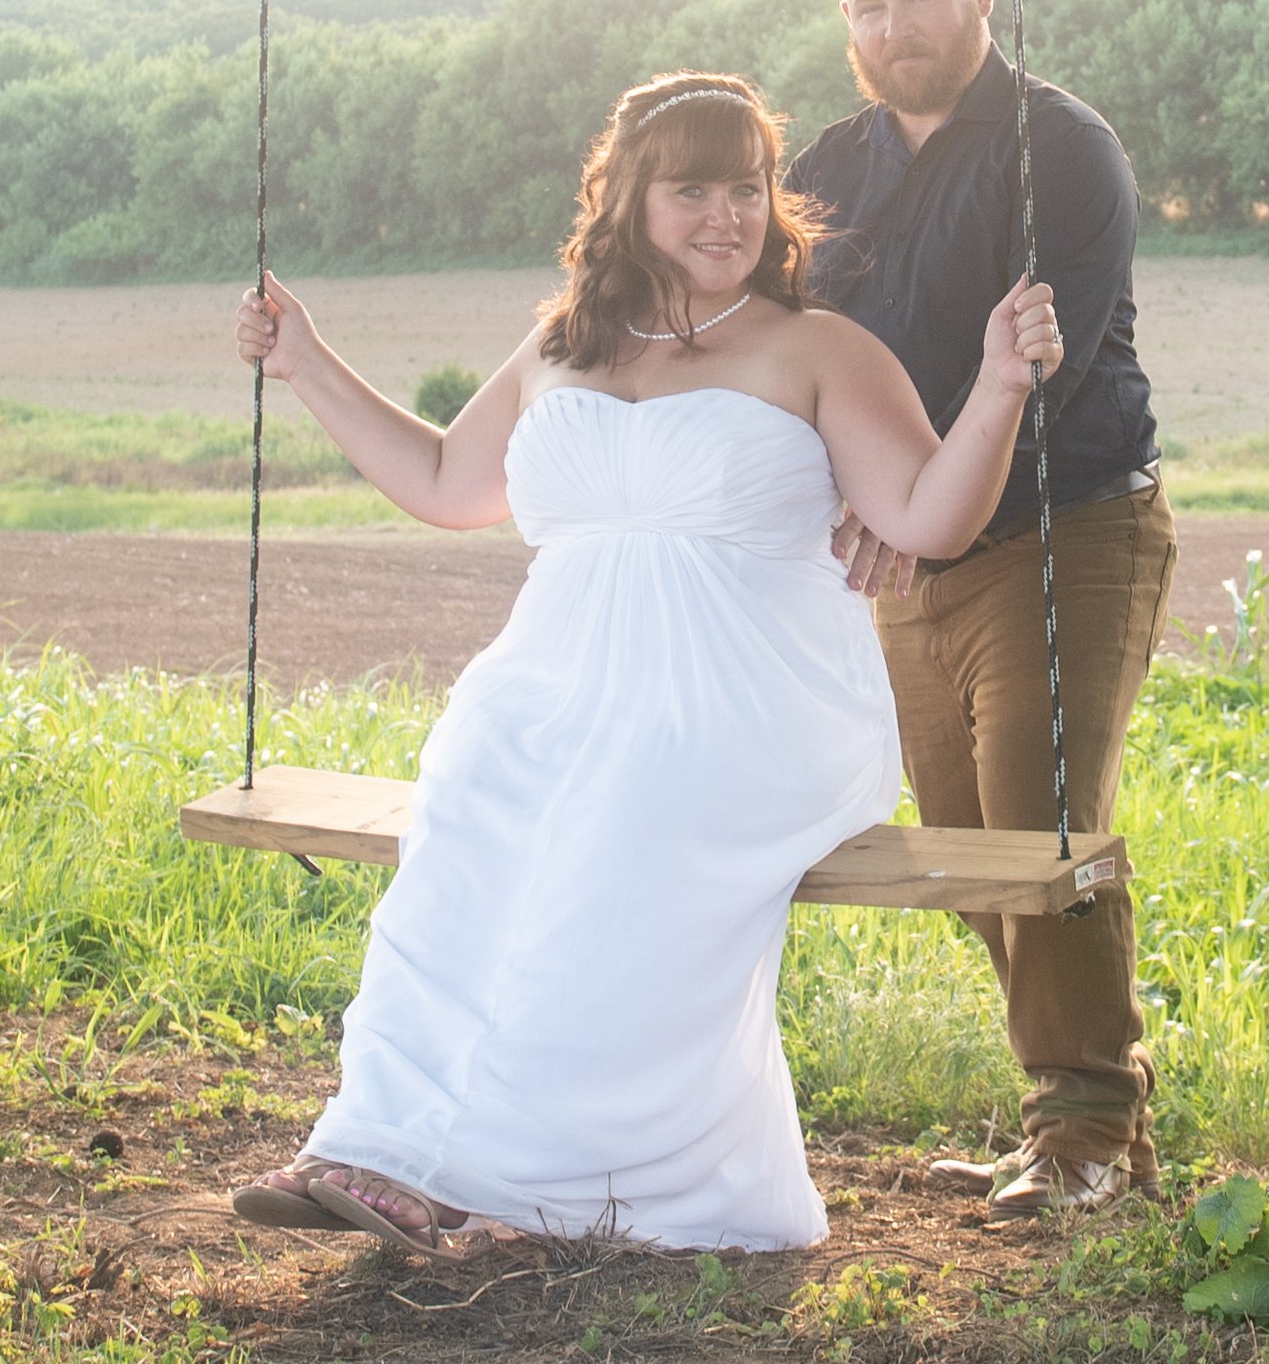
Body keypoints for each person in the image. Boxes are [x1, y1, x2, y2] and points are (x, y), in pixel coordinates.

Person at [224, 68, 1065, 1256]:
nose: (727, 213)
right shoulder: (562, 342)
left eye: (748, 186)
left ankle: (503, 1171)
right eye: (692, 190)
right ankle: (378, 1143)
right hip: (556, 687)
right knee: (465, 816)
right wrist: (305, 361)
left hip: (748, 704)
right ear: (627, 199)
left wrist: (998, 385)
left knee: (618, 813)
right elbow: (443, 484)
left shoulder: (818, 347)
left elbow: (928, 515)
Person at [789, 0, 1176, 1219]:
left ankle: (1078, 1132)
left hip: (1065, 526)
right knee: (964, 851)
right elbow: (798, 353)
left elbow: (1036, 375)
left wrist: (906, 502)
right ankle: (1097, 1122)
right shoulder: (823, 169)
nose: (892, 29)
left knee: (1032, 826)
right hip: (910, 553)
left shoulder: (1057, 150)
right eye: (866, 8)